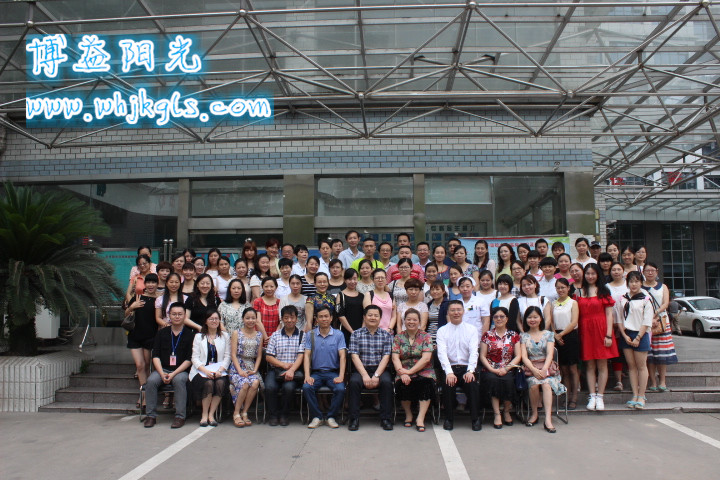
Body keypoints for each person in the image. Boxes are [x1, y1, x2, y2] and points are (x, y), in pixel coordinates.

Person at [143, 302, 193, 428]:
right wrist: (161, 373)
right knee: (151, 381)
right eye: (174, 314)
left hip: (181, 371)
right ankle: (150, 416)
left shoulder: (190, 335)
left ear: (185, 315)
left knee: (179, 381)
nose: (177, 316)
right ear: (169, 315)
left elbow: (189, 359)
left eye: (180, 314)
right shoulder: (162, 333)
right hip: (162, 369)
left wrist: (173, 374)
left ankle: (180, 416)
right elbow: (155, 356)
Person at [575, 263, 617, 411]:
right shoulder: (579, 292)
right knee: (590, 365)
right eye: (588, 273)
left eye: (593, 273)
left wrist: (608, 335)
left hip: (601, 330)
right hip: (585, 331)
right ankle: (592, 395)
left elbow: (609, 315)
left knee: (602, 365)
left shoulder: (604, 291)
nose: (590, 276)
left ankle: (600, 396)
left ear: (598, 274)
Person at [347, 305, 394, 431]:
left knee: (387, 382)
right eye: (370, 315)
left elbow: (386, 357)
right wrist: (365, 375)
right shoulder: (356, 334)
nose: (373, 318)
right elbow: (354, 356)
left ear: (380, 318)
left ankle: (386, 418)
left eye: (376, 315)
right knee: (354, 382)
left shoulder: (386, 335)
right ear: (364, 317)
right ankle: (354, 419)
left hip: (380, 369)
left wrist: (376, 375)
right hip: (362, 369)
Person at [437, 300, 481, 431]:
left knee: (472, 384)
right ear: (448, 312)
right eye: (453, 310)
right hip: (450, 367)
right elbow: (442, 354)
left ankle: (475, 419)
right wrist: (449, 372)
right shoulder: (442, 331)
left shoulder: (471, 330)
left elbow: (474, 352)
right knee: (448, 384)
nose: (456, 313)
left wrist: (470, 371)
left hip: (467, 367)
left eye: (458, 310)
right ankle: (449, 419)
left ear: (463, 311)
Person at [520, 306, 565, 433]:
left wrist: (544, 370)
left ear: (541, 318)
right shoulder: (523, 336)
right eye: (529, 317)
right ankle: (534, 414)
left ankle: (548, 419)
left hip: (547, 368)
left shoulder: (548, 334)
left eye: (535, 317)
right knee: (534, 384)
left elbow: (550, 354)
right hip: (531, 368)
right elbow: (524, 357)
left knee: (546, 384)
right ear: (525, 319)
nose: (532, 320)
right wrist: (534, 370)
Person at [303, 306, 347, 429]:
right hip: (316, 373)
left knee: (340, 389)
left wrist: (341, 376)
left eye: (326, 316)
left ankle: (331, 416)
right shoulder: (310, 334)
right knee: (307, 387)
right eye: (321, 317)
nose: (324, 319)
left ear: (331, 318)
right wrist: (307, 376)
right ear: (316, 319)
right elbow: (306, 356)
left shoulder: (338, 334)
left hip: (333, 373)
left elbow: (342, 356)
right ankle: (317, 416)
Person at [614, 271, 653, 409]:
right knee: (631, 367)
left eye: (637, 281)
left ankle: (642, 395)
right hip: (626, 334)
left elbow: (647, 320)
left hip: (640, 334)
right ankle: (634, 395)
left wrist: (638, 337)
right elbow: (619, 318)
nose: (634, 284)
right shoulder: (622, 298)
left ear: (641, 283)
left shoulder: (646, 299)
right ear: (627, 283)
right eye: (631, 281)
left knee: (641, 366)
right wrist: (624, 336)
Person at [392, 308, 435, 432]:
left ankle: (420, 418)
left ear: (419, 321)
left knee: (426, 383)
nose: (411, 322)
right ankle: (408, 414)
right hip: (403, 369)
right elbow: (395, 358)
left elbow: (426, 358)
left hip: (424, 370)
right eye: (408, 319)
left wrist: (410, 372)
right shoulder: (398, 337)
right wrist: (402, 372)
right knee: (403, 383)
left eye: (414, 320)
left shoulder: (426, 336)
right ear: (404, 321)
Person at [480, 306, 521, 429]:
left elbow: (518, 356)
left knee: (508, 381)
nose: (499, 319)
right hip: (490, 368)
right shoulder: (487, 335)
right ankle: (497, 413)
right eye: (496, 317)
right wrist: (492, 369)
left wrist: (506, 369)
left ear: (507, 319)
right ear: (493, 319)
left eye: (502, 316)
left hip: (508, 368)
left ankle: (506, 411)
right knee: (493, 380)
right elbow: (482, 356)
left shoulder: (514, 335)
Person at [265, 305, 305, 426]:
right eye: (286, 318)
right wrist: (283, 365)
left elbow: (301, 356)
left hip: (294, 371)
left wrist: (291, 370)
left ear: (296, 319)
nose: (289, 320)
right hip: (276, 370)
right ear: (282, 319)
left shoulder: (302, 335)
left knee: (289, 388)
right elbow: (269, 357)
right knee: (270, 387)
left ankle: (284, 415)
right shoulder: (275, 335)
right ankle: (273, 415)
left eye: (292, 317)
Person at [189, 310, 230, 427]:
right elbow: (194, 358)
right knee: (209, 383)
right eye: (211, 319)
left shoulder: (225, 336)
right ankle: (204, 414)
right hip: (201, 371)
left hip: (219, 371)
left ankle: (211, 414)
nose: (214, 321)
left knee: (220, 383)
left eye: (216, 319)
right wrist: (205, 371)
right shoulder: (199, 337)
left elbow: (227, 356)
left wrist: (220, 370)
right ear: (206, 321)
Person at [643, 262, 678, 391]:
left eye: (652, 270)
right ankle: (652, 382)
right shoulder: (640, 287)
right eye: (647, 270)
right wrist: (649, 318)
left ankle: (662, 381)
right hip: (646, 323)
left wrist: (655, 314)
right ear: (643, 272)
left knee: (662, 354)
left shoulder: (663, 287)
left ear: (657, 272)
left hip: (661, 322)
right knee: (649, 355)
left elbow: (665, 303)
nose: (650, 273)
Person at [229, 307, 263, 428]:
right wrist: (239, 371)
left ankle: (245, 412)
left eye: (253, 318)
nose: (250, 320)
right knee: (244, 383)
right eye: (247, 318)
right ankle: (236, 413)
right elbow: (233, 354)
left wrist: (255, 370)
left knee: (255, 382)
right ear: (243, 319)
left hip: (251, 367)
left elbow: (259, 355)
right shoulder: (236, 333)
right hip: (237, 367)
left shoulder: (259, 335)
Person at [125, 273, 160, 392]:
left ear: (157, 284)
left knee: (147, 365)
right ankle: (144, 395)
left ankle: (147, 392)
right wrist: (132, 307)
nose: (151, 285)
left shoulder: (159, 299)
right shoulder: (138, 297)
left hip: (150, 337)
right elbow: (126, 315)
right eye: (148, 282)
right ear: (144, 284)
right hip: (135, 336)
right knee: (140, 365)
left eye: (153, 282)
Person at [551, 278, 580, 410]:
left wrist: (561, 335)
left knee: (573, 368)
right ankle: (566, 396)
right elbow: (551, 322)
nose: (560, 290)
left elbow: (574, 322)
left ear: (568, 288)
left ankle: (574, 397)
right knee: (563, 370)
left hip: (570, 336)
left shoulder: (573, 302)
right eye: (558, 288)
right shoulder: (553, 303)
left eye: (563, 287)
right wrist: (555, 335)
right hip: (557, 337)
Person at [337, 268, 365, 346]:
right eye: (349, 279)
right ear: (345, 280)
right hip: (345, 330)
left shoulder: (361, 296)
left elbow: (365, 314)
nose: (352, 281)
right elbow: (340, 315)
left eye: (355, 279)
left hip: (360, 331)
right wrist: (352, 331)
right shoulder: (340, 295)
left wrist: (361, 330)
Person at [363, 268, 396, 334]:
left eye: (382, 278)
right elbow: (367, 315)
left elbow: (393, 316)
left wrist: (389, 329)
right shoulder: (369, 295)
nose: (380, 280)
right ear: (373, 280)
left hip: (388, 332)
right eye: (377, 278)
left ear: (386, 279)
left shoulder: (391, 295)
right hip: (372, 332)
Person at [426, 280, 448, 346]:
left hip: (442, 338)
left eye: (437, 289)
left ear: (443, 291)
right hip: (429, 338)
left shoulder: (448, 305)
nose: (435, 291)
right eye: (432, 290)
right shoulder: (428, 305)